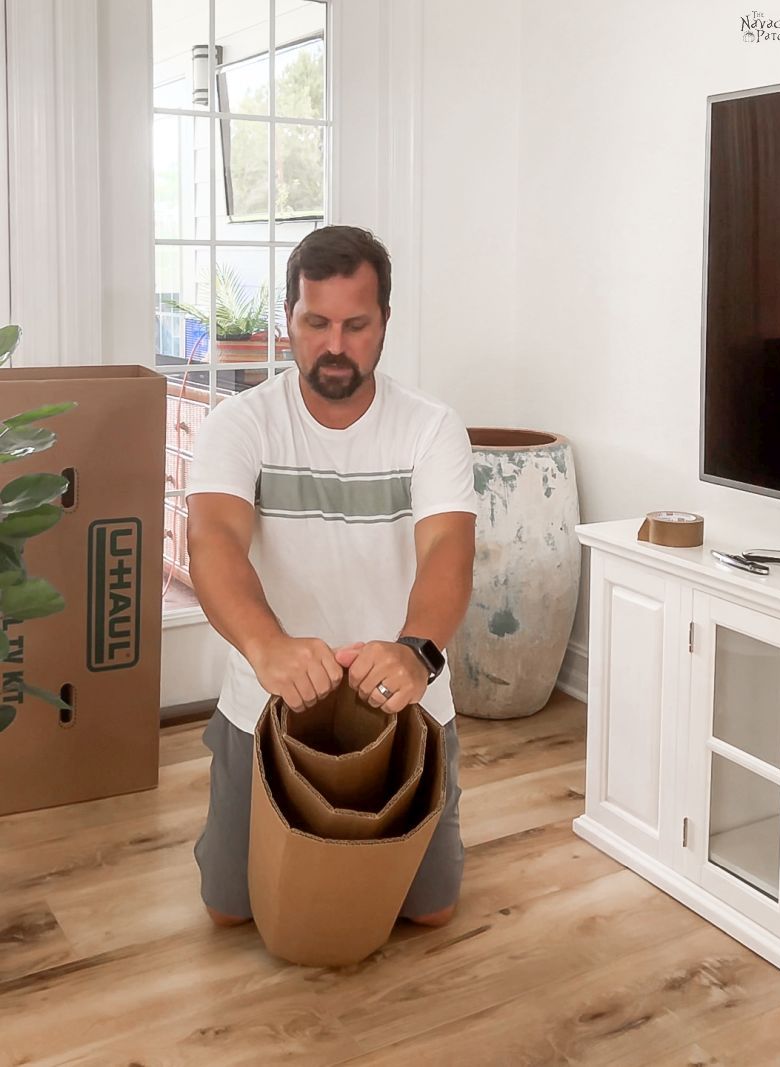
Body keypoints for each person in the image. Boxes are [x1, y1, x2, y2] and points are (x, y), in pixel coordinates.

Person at [186, 225, 477, 930]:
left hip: (400, 696)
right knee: (229, 911)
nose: (336, 345)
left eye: (356, 324)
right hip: (268, 696)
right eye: (316, 322)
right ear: (288, 320)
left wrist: (417, 651)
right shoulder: (240, 422)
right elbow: (213, 540)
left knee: (433, 913)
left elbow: (449, 552)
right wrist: (267, 647)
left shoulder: (431, 427)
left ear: (384, 324)